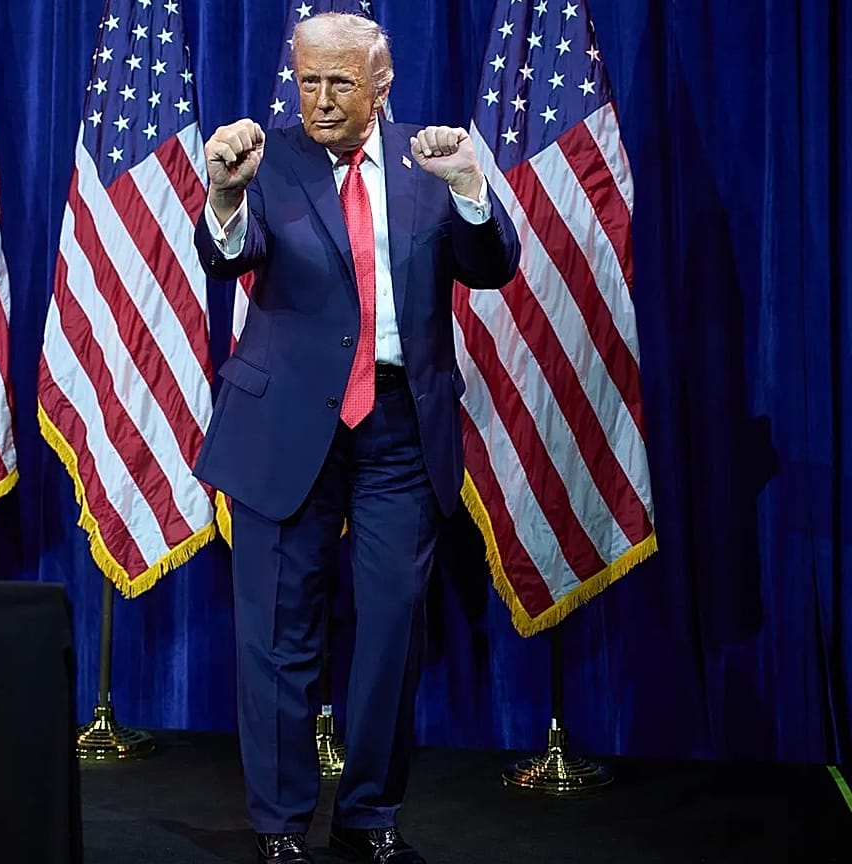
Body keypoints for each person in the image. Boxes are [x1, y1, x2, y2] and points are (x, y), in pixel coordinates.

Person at [192, 11, 520, 864]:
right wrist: (225, 196)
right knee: (277, 635)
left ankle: (370, 814)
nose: (321, 99)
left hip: (399, 429)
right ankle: (278, 827)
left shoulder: (426, 163)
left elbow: (492, 268)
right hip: (285, 428)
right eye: (307, 80)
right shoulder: (265, 159)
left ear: (382, 84)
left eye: (340, 82)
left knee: (389, 631)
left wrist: (471, 188)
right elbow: (231, 255)